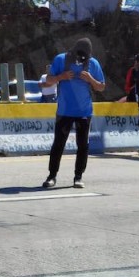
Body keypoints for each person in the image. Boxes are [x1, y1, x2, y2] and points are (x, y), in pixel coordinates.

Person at [41, 38, 106, 189]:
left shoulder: (93, 63)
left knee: (83, 145)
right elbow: (48, 80)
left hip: (84, 111)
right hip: (64, 111)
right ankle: (52, 176)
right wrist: (60, 77)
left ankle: (78, 176)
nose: (81, 59)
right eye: (79, 56)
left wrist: (90, 79)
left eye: (84, 58)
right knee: (58, 144)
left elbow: (101, 87)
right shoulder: (61, 60)